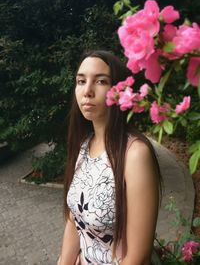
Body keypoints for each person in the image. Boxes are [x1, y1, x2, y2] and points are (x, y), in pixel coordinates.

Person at [58, 50, 162, 265]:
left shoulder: (134, 154)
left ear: (119, 90)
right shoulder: (83, 145)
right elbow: (73, 221)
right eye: (80, 81)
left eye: (101, 81)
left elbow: (138, 257)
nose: (87, 91)